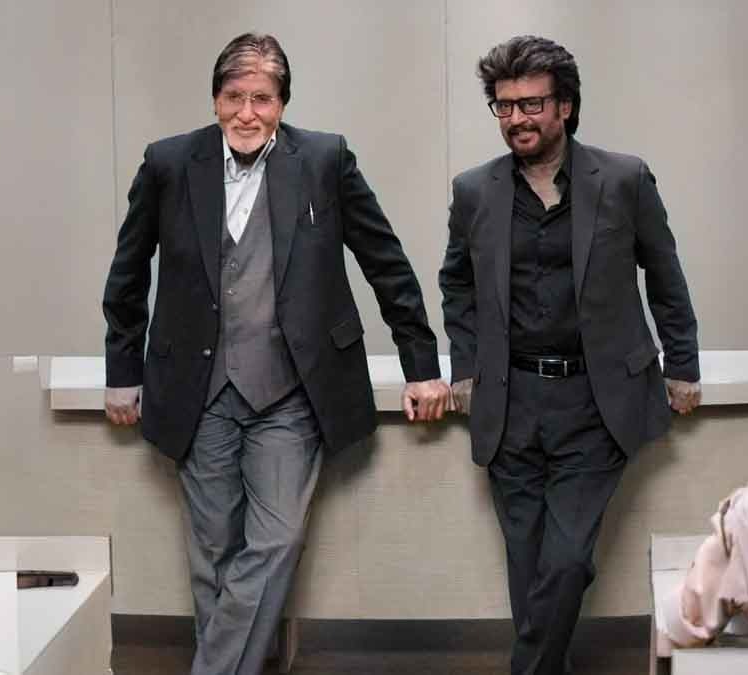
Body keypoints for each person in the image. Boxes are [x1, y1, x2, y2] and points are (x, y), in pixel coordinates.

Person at [102, 32, 450, 675]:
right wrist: (122, 372)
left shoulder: (323, 160)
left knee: (277, 539)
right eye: (234, 97)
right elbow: (127, 275)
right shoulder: (170, 163)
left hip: (291, 393)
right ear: (215, 99)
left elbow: (386, 261)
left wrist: (421, 364)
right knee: (212, 555)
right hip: (199, 392)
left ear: (282, 104)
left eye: (261, 98)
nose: (246, 113)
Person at [439, 35, 701, 675]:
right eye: (504, 107)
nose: (517, 119)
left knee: (566, 561)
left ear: (565, 106)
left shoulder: (623, 180)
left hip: (595, 401)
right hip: (511, 403)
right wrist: (465, 367)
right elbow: (456, 283)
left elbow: (664, 275)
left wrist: (682, 365)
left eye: (531, 104)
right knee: (529, 563)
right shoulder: (475, 191)